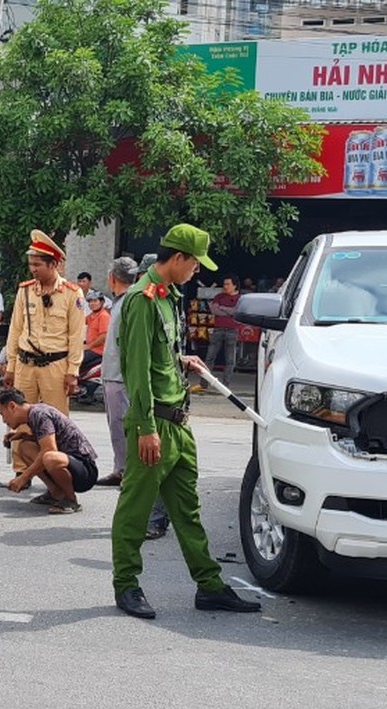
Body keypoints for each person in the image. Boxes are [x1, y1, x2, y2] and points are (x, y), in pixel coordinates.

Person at [111, 223, 261, 620]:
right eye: (195, 264)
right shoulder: (142, 301)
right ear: (177, 258)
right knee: (136, 510)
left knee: (187, 511)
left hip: (178, 423)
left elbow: (158, 355)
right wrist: (145, 428)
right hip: (154, 424)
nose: (199, 271)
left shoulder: (169, 297)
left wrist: (181, 359)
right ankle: (126, 585)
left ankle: (209, 586)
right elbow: (136, 368)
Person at [97, 257, 172, 539]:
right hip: (117, 378)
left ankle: (155, 515)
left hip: (130, 383)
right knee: (125, 441)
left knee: (145, 453)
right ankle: (121, 471)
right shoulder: (131, 300)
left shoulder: (145, 300)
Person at [3, 229, 86, 414]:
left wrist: (72, 372)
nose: (33, 269)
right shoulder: (25, 290)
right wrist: (11, 366)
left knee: (56, 423)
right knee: (21, 423)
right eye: (31, 264)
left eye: (37, 264)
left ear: (53, 264)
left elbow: (76, 336)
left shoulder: (72, 293)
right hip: (25, 366)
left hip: (55, 367)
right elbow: (15, 330)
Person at [0, 388, 98, 514]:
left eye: (2, 414)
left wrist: (24, 477)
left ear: (12, 406)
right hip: (68, 462)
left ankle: (71, 500)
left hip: (85, 470)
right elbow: (50, 439)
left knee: (49, 457)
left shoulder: (39, 414)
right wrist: (24, 435)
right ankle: (55, 493)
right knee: (25, 447)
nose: (3, 420)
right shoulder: (33, 414)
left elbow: (49, 448)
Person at [206, 277, 242, 388]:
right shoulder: (218, 296)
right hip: (218, 329)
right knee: (210, 357)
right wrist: (228, 311)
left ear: (235, 285)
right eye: (224, 284)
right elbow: (214, 310)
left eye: (228, 284)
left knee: (230, 359)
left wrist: (222, 308)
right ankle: (204, 383)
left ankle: (226, 384)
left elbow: (236, 312)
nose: (225, 286)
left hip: (232, 330)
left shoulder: (240, 298)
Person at [82, 291, 110, 375]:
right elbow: (79, 322)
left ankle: (75, 383)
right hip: (91, 347)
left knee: (74, 359)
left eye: (95, 301)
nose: (92, 303)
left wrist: (88, 346)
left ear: (101, 302)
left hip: (98, 350)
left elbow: (103, 337)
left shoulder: (103, 316)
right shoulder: (92, 315)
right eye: (90, 301)